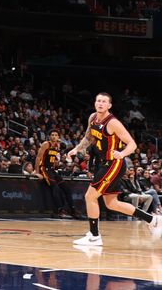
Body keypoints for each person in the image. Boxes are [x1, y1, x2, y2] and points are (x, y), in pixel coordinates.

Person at [66, 92, 160, 246]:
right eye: (98, 101)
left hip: (114, 164)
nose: (100, 103)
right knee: (112, 203)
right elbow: (88, 137)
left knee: (90, 196)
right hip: (103, 164)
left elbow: (132, 144)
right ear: (95, 103)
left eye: (104, 101)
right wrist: (77, 149)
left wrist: (121, 153)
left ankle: (94, 236)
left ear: (109, 105)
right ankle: (153, 220)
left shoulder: (113, 122)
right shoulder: (92, 118)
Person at [35, 129, 77, 219]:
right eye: (52, 135)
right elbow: (38, 158)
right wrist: (37, 172)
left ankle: (73, 211)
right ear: (49, 136)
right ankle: (60, 210)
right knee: (55, 188)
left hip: (52, 170)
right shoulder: (46, 144)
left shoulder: (57, 146)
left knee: (67, 188)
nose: (54, 136)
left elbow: (55, 159)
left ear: (58, 137)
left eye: (56, 135)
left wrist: (62, 160)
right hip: (44, 168)